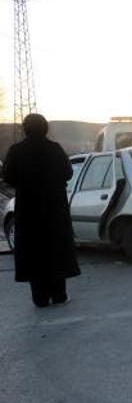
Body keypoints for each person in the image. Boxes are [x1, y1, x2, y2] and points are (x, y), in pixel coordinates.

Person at [2, 114, 80, 307]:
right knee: (56, 250)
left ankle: (40, 298)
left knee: (33, 253)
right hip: (55, 210)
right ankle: (59, 295)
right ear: (45, 128)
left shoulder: (16, 151)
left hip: (29, 212)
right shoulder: (55, 149)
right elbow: (68, 173)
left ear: (25, 129)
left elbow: (9, 177)